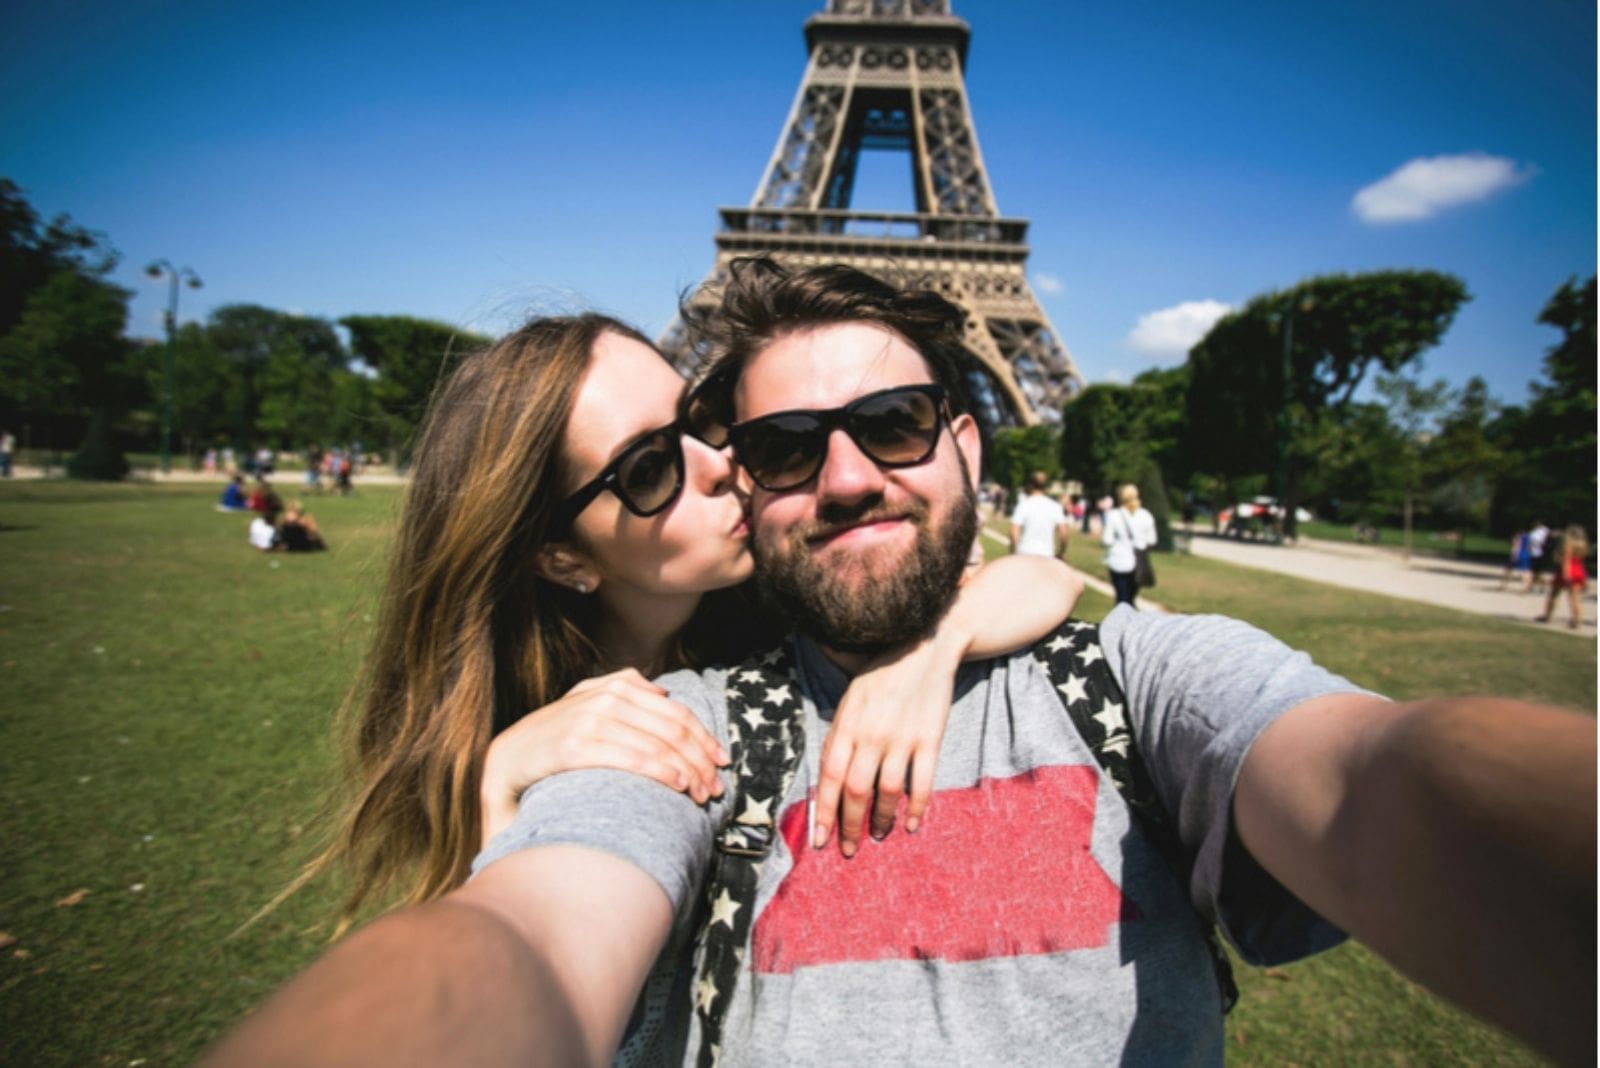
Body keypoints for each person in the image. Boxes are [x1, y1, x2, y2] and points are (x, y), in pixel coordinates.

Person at [205, 262, 1594, 1068]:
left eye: (900, 421)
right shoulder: (657, 733)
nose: (846, 476)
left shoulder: (1125, 679)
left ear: (974, 448)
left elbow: (1378, 782)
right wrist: (504, 791)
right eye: (778, 448)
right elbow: (527, 939)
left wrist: (945, 633)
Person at [1102, 482, 1156, 606]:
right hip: (1138, 562)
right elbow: (1152, 540)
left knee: (1121, 597)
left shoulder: (1114, 515)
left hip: (1118, 560)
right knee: (1131, 598)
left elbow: (1107, 540)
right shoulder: (1146, 515)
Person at [1536, 525, 1589, 629]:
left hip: (1567, 572)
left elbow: (1566, 561)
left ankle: (1547, 615)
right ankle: (1577, 620)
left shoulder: (1568, 544)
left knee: (1553, 595)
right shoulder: (1583, 545)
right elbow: (1580, 562)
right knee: (1575, 598)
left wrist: (1566, 575)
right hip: (1579, 571)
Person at [1007, 469, 1070, 557]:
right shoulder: (1055, 506)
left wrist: (1013, 551)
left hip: (1025, 552)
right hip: (1047, 554)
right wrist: (1062, 552)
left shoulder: (1024, 504)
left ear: (1030, 485)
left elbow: (1013, 532)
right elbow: (1064, 533)